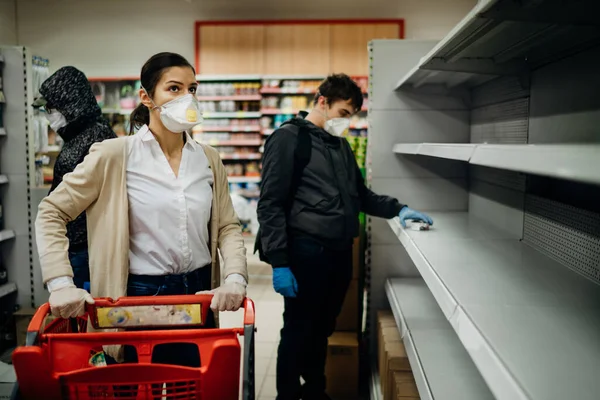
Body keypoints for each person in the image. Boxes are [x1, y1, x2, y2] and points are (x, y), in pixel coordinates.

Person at [35, 52, 248, 365]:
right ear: (146, 97)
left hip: (196, 296)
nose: (186, 98)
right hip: (134, 296)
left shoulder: (208, 159)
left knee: (188, 384)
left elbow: (227, 226)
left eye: (192, 89)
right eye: (174, 88)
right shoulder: (114, 156)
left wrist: (234, 278)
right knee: (134, 387)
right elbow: (52, 211)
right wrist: (60, 283)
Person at [257, 74, 433, 400]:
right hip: (305, 252)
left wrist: (400, 208)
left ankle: (314, 390)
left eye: (351, 115)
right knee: (297, 329)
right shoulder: (289, 139)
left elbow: (361, 196)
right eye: (343, 113)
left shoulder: (339, 146)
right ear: (322, 101)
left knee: (322, 328)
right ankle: (286, 395)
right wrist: (280, 262)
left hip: (338, 254)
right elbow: (270, 204)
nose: (346, 122)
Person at [32, 66, 117, 291]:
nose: (49, 115)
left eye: (52, 108)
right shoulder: (80, 136)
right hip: (79, 247)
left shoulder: (95, 137)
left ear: (70, 104)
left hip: (86, 249)